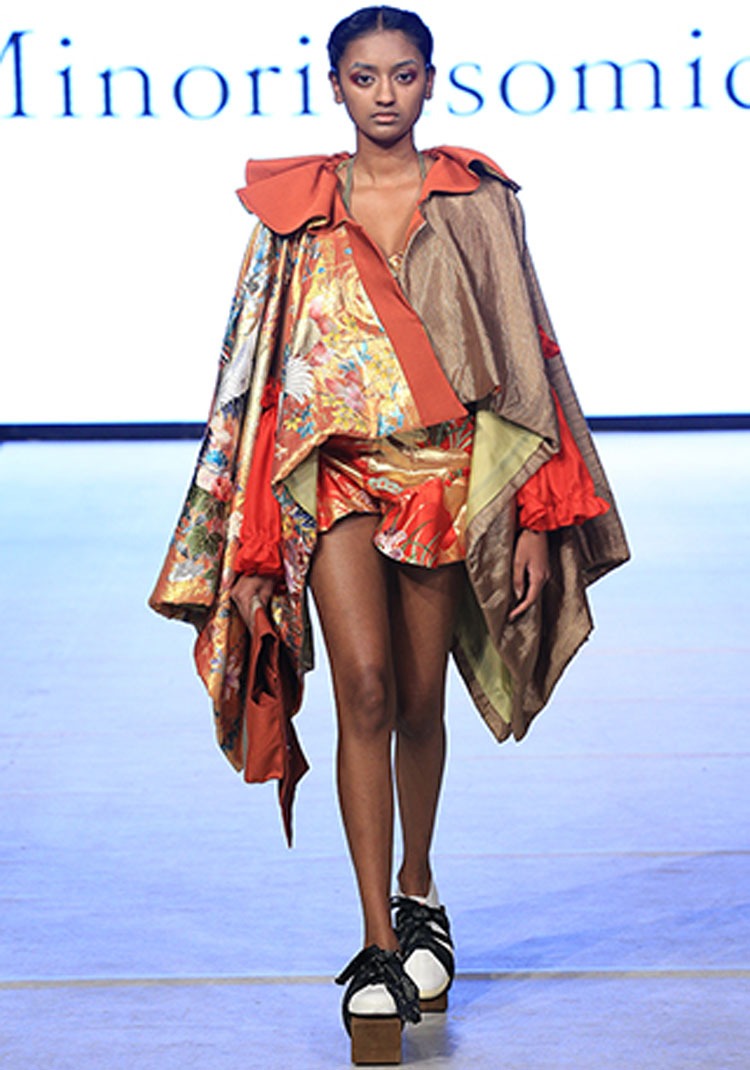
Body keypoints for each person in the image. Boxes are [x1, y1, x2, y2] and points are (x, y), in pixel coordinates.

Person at [150, 5, 629, 1064]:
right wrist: (250, 542)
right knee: (361, 689)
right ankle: (374, 943)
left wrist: (536, 516)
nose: (383, 94)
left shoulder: (476, 201)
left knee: (418, 698)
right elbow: (254, 379)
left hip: (445, 475)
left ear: (429, 81)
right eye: (363, 76)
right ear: (335, 84)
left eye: (402, 75)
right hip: (333, 477)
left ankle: (419, 889)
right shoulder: (295, 213)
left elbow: (529, 357)